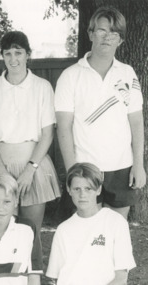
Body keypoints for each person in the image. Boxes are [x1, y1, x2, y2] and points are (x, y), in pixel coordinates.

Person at [55, 6, 146, 219]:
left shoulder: (128, 73)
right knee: (86, 231)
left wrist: (138, 165)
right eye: (102, 31)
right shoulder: (70, 76)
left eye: (114, 33)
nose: (107, 38)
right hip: (85, 168)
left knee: (116, 231)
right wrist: (72, 171)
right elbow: (64, 127)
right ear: (90, 34)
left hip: (121, 167)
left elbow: (136, 121)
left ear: (120, 40)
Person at [0, 31, 61, 235]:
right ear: (2, 56)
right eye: (7, 54)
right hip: (1, 166)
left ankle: (34, 267)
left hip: (34, 167)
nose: (13, 59)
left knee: (31, 231)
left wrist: (30, 170)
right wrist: (0, 171)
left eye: (18, 52)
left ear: (27, 54)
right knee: (4, 230)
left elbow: (48, 133)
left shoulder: (42, 87)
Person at [46, 162, 136, 285]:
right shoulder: (63, 229)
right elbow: (54, 278)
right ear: (69, 190)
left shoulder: (116, 222)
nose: (82, 195)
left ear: (98, 190)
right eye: (77, 189)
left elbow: (121, 278)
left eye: (88, 189)